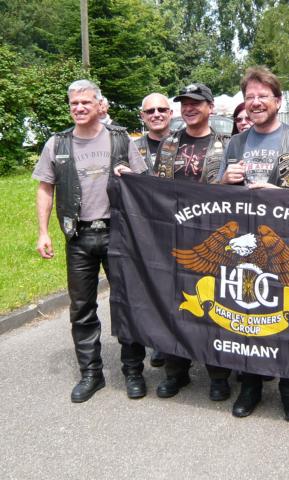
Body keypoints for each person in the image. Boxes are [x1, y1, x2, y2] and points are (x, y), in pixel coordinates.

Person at [220, 66, 289, 422]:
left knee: (288, 317)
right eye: (249, 97)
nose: (255, 103)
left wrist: (278, 194)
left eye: (262, 96)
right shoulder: (235, 143)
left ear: (278, 101)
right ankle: (250, 386)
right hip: (245, 249)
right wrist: (224, 180)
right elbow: (218, 198)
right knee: (246, 316)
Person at [33, 79, 148, 402]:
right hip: (78, 236)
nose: (80, 108)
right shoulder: (57, 143)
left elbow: (144, 182)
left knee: (126, 303)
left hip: (118, 233)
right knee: (82, 308)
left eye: (86, 102)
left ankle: (133, 372)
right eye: (74, 103)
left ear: (99, 105)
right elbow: (45, 188)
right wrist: (43, 232)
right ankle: (91, 374)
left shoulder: (121, 139)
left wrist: (130, 176)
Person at [152, 82, 232, 401]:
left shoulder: (226, 144)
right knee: (174, 306)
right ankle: (176, 372)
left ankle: (219, 375)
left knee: (214, 305)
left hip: (213, 238)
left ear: (210, 107)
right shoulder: (169, 143)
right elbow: (155, 190)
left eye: (196, 103)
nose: (189, 108)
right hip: (174, 238)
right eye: (185, 103)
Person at [134, 92, 173, 368]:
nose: (156, 114)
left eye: (161, 109)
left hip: (180, 227)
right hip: (146, 230)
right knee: (152, 290)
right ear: (142, 116)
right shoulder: (130, 148)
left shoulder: (184, 143)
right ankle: (160, 343)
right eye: (150, 111)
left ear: (170, 113)